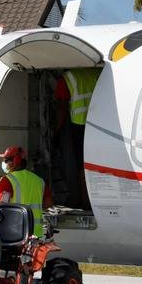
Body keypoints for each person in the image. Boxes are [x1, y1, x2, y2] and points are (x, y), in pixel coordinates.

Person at [53, 68, 101, 207]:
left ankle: (85, 203)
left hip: (80, 124)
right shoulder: (96, 71)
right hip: (100, 124)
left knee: (82, 167)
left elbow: (61, 107)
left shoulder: (67, 78)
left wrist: (55, 131)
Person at [0, 144, 53, 236]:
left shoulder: (7, 180)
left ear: (14, 161)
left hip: (15, 233)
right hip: (36, 234)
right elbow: (48, 204)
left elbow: (0, 204)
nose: (4, 163)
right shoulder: (39, 181)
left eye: (6, 160)